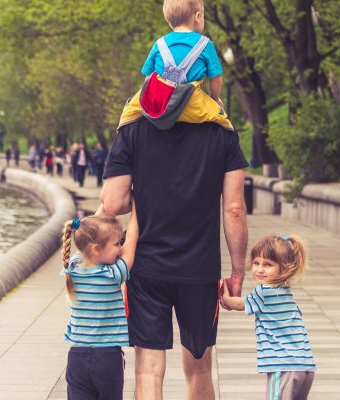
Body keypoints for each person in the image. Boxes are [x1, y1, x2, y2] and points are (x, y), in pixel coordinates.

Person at [101, 68, 248, 400]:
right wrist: (238, 271)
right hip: (201, 268)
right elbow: (235, 208)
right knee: (198, 369)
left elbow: (112, 202)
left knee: (148, 370)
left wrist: (144, 196)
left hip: (146, 267)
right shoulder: (221, 132)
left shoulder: (133, 129)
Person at [221, 235, 316, 400]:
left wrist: (224, 293)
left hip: (283, 366)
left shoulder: (264, 292)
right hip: (305, 366)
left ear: (285, 268)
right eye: (256, 263)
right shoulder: (286, 293)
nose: (259, 269)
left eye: (268, 265)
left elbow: (237, 304)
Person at [61, 204, 139, 400]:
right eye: (116, 244)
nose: (120, 248)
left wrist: (105, 205)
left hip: (76, 358)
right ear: (96, 249)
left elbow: (86, 237)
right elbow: (132, 240)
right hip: (107, 359)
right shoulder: (112, 274)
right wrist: (137, 209)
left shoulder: (73, 268)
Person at [117, 0, 232, 132]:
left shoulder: (159, 44)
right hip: (193, 106)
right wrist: (215, 99)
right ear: (198, 17)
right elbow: (216, 78)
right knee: (225, 124)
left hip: (162, 104)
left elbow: (148, 79)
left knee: (128, 114)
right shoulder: (206, 45)